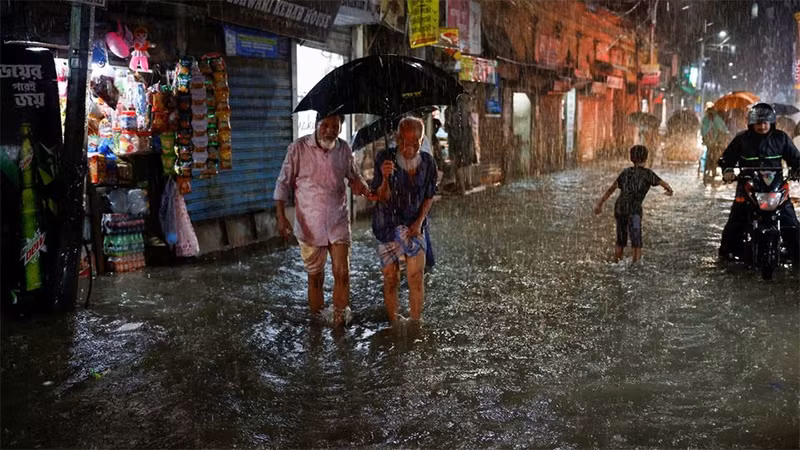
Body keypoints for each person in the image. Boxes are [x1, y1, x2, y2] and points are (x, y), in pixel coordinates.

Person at [274, 114, 377, 327]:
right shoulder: (298, 149)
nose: (330, 130)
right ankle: (317, 325)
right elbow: (283, 183)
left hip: (337, 219)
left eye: (335, 126)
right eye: (326, 125)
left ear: (340, 127)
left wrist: (364, 189)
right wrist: (281, 216)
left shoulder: (344, 149)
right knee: (316, 278)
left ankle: (339, 322)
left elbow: (353, 177)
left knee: (342, 272)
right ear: (316, 125)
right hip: (309, 224)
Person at [371, 117, 437, 324]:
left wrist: (419, 222)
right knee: (391, 279)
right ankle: (393, 323)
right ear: (397, 140)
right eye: (404, 143)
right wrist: (384, 178)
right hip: (387, 226)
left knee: (416, 277)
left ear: (422, 140)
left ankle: (415, 325)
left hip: (414, 226)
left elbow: (429, 196)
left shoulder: (428, 163)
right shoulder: (384, 158)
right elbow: (381, 196)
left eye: (414, 143)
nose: (408, 148)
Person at [718, 103, 800, 263]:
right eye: (758, 123)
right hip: (748, 188)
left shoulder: (781, 138)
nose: (762, 126)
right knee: (734, 223)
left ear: (771, 123)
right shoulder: (741, 139)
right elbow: (726, 159)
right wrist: (728, 170)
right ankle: (726, 255)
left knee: (792, 224)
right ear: (751, 124)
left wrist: (797, 169)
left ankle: (796, 256)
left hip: (776, 189)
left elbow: (795, 159)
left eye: (765, 123)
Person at [594, 145, 674, 263]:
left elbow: (611, 189)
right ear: (646, 158)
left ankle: (616, 262)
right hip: (634, 210)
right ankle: (635, 267)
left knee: (620, 240)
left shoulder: (626, 172)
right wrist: (669, 191)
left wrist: (600, 204)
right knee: (636, 242)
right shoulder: (648, 174)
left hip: (620, 207)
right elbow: (666, 186)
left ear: (631, 158)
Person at [701, 107, 729, 178]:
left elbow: (723, 129)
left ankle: (715, 169)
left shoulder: (717, 120)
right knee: (708, 154)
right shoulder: (705, 120)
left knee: (717, 156)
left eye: (711, 114)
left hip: (717, 142)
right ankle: (707, 167)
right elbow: (703, 130)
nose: (710, 115)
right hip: (709, 142)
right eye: (709, 114)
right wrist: (706, 136)